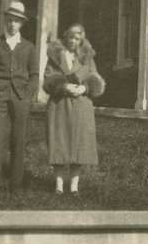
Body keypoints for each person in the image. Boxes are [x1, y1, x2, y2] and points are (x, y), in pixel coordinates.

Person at [0, 0, 38, 192]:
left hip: (20, 97)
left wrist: (27, 95)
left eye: (17, 21)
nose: (13, 24)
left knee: (18, 139)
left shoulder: (29, 47)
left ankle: (16, 184)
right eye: (10, 20)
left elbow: (35, 75)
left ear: (22, 23)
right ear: (5, 20)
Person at [44, 24, 105, 194]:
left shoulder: (87, 58)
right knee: (60, 143)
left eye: (77, 38)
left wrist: (85, 88)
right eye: (70, 37)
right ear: (66, 37)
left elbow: (95, 78)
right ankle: (58, 185)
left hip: (81, 104)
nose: (73, 41)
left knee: (79, 144)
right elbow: (48, 78)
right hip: (60, 104)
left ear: (81, 40)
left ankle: (74, 186)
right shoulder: (56, 56)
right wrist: (63, 86)